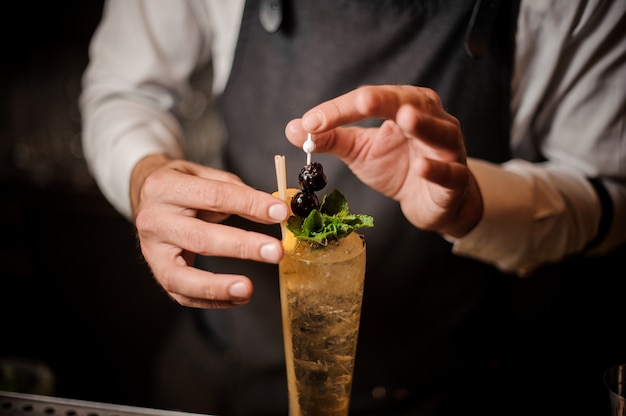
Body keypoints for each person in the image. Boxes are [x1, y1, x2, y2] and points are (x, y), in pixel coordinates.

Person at [80, 1, 626, 415]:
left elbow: (611, 194)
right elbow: (127, 90)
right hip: (228, 377)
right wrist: (143, 172)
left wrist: (473, 204)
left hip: (453, 388)